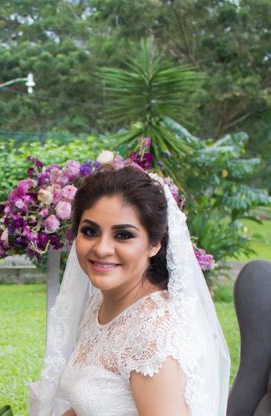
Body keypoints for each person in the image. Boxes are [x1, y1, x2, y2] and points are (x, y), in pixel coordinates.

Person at [29, 165, 230, 416]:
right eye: (90, 231)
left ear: (154, 244)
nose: (102, 249)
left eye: (123, 235)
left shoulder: (154, 334)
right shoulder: (100, 305)